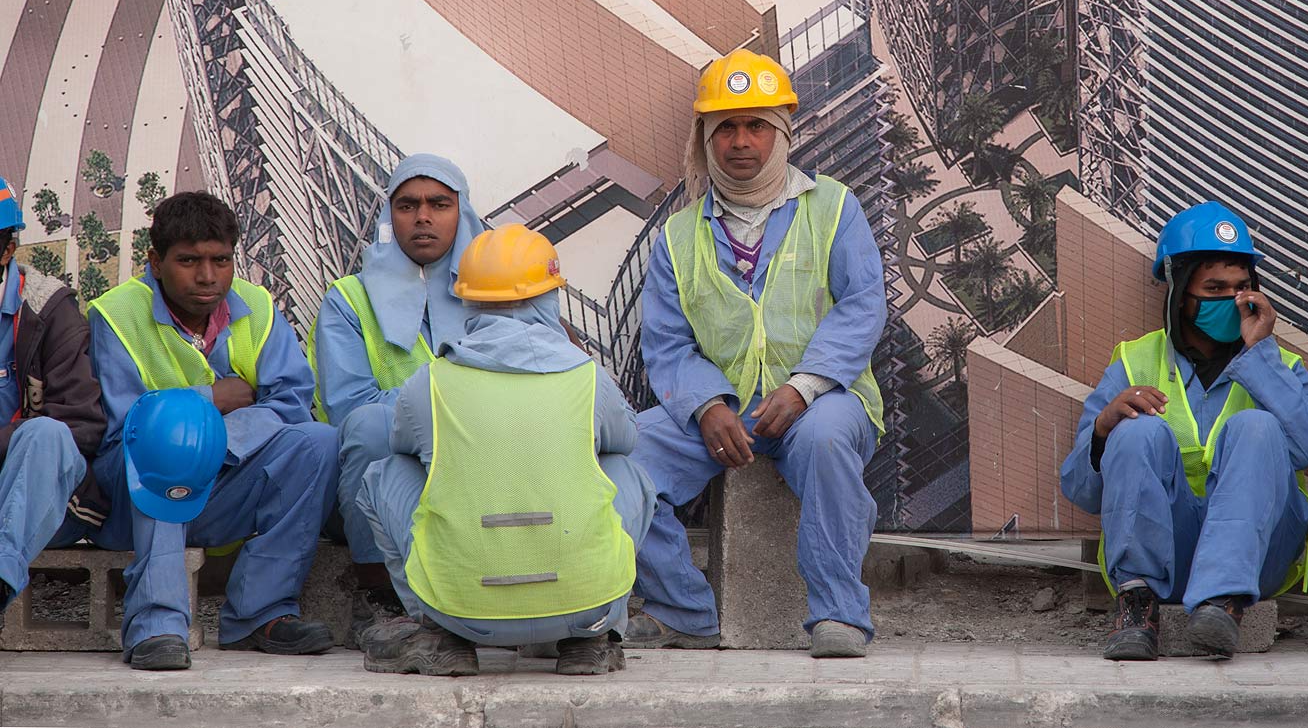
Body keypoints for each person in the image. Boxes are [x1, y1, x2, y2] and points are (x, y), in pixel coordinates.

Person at [624, 50, 887, 659]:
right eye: (726, 129)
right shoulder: (677, 238)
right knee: (624, 459)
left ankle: (839, 615)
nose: (741, 142)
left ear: (783, 131)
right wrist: (706, 405)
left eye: (757, 126)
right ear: (706, 139)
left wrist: (804, 388)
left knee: (823, 442)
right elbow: (666, 342)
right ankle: (685, 612)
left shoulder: (835, 209)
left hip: (825, 403)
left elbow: (861, 307)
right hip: (725, 415)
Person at [355, 224, 654, 677]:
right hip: (581, 605)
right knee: (625, 470)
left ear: (466, 300)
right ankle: (595, 637)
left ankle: (438, 633)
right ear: (548, 298)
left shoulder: (431, 382)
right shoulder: (588, 378)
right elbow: (625, 439)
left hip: (464, 612)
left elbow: (402, 445)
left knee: (387, 473)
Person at [1060, 202, 1308, 660]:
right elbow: (1081, 491)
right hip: (1170, 550)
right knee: (1134, 430)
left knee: (1257, 425)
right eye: (1213, 288)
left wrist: (1259, 354)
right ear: (1179, 290)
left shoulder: (1281, 365)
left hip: (1257, 557)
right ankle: (1137, 606)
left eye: (1241, 287)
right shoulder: (1133, 360)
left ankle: (1223, 602)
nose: (1231, 300)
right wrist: (1104, 430)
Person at [86, 192, 338, 670]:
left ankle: (261, 614)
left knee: (318, 442)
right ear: (156, 263)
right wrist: (210, 403)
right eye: (188, 261)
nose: (207, 276)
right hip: (132, 496)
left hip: (222, 482)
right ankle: (156, 625)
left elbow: (290, 404)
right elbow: (123, 431)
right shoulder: (117, 315)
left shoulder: (257, 306)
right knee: (168, 443)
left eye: (220, 260)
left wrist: (217, 441)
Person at [310, 155, 483, 635]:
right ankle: (379, 593)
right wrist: (453, 405)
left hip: (486, 460)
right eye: (407, 205)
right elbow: (351, 407)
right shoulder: (349, 298)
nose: (423, 216)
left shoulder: (499, 290)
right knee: (369, 426)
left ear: (462, 213)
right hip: (398, 469)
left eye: (439, 204)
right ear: (391, 217)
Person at [0, 175, 108, 612]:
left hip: (34, 494)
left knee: (46, 435)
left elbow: (81, 426)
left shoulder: (48, 308)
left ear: (7, 250)